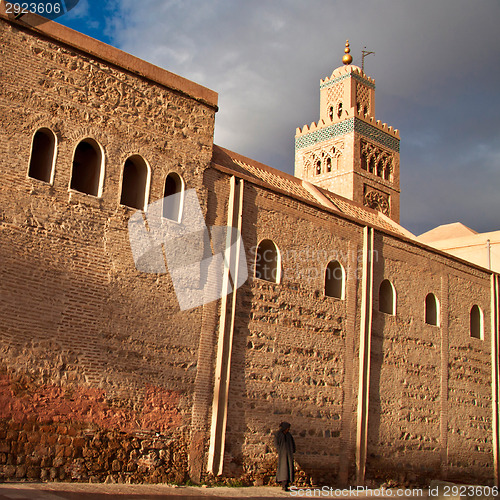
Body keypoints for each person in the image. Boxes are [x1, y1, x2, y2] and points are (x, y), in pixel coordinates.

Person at [274, 421, 296, 491]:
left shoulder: (289, 435)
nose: (288, 430)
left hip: (289, 454)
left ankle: (286, 485)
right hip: (282, 455)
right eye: (287, 428)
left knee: (289, 469)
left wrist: (292, 450)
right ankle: (283, 485)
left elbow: (292, 444)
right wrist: (279, 450)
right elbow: (276, 444)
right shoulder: (278, 435)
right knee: (283, 469)